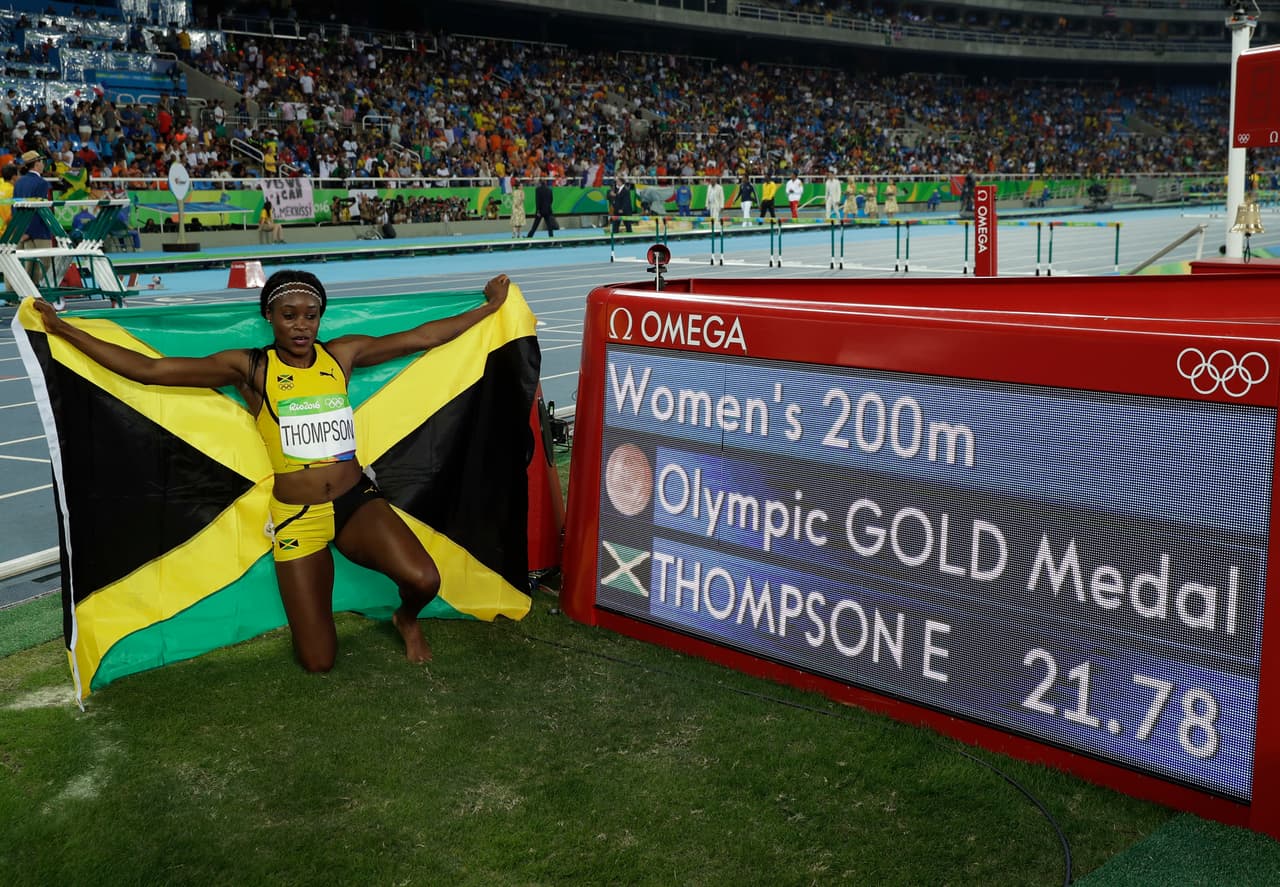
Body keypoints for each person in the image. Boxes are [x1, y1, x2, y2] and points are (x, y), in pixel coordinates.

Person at [30, 270, 512, 672]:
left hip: (355, 500)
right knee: (319, 662)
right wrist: (65, 331)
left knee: (425, 580)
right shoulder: (251, 368)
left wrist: (489, 309)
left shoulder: (341, 355)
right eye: (289, 316)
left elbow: (423, 337)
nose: (301, 326)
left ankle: (407, 619)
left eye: (310, 315)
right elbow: (151, 371)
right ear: (269, 317)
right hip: (298, 515)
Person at [13, 149, 52, 284]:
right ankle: (33, 295)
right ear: (37, 164)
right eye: (42, 162)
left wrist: (20, 229)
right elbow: (39, 209)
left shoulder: (19, 182)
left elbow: (15, 207)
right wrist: (30, 232)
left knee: (24, 264)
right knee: (42, 265)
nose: (43, 164)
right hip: (38, 231)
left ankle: (21, 294)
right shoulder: (41, 183)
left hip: (21, 228)